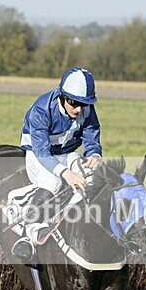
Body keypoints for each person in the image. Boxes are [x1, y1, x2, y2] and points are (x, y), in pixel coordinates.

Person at [11, 67, 103, 262]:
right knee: (53, 181)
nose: (79, 110)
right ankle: (26, 236)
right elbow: (42, 151)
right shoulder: (41, 109)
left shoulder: (85, 109)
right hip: (38, 154)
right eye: (74, 103)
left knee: (92, 176)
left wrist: (94, 154)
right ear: (62, 96)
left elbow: (91, 136)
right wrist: (65, 173)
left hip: (66, 153)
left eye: (84, 104)